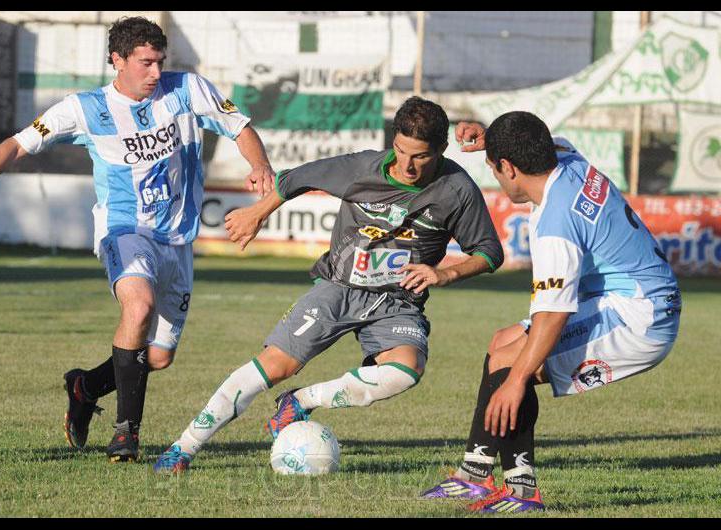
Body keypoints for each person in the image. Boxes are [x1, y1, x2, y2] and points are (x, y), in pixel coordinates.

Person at [0, 17, 275, 462]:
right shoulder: (85, 108)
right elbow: (17, 145)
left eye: (160, 62)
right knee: (139, 305)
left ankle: (85, 386)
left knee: (155, 358)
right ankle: (125, 434)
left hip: (177, 240)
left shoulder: (188, 89)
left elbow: (239, 126)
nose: (156, 72)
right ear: (117, 60)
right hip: (124, 229)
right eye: (145, 63)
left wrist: (260, 165)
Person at [152, 96, 505, 474]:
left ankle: (302, 401)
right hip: (338, 289)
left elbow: (489, 252)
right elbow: (295, 179)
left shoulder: (456, 189)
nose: (407, 165)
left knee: (405, 371)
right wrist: (256, 214)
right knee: (274, 366)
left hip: (398, 302)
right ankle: (183, 448)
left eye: (419, 156)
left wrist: (447, 273)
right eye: (400, 151)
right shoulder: (360, 168)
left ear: (441, 150)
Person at [421, 111, 681, 512]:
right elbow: (537, 140)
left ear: (508, 167)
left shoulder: (554, 224)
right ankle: (474, 475)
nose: (496, 175)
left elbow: (553, 314)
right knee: (501, 343)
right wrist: (492, 139)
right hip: (633, 294)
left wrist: (518, 379)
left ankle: (521, 490)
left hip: (641, 318)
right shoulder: (566, 158)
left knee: (510, 366)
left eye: (495, 168)